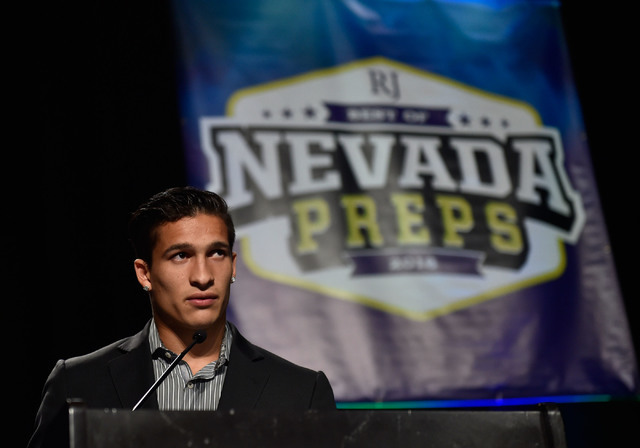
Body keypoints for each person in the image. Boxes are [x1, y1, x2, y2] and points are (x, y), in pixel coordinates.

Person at [28, 186, 336, 448]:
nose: (203, 276)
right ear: (144, 273)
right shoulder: (78, 382)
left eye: (216, 253)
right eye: (181, 256)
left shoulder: (300, 392)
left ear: (233, 265)